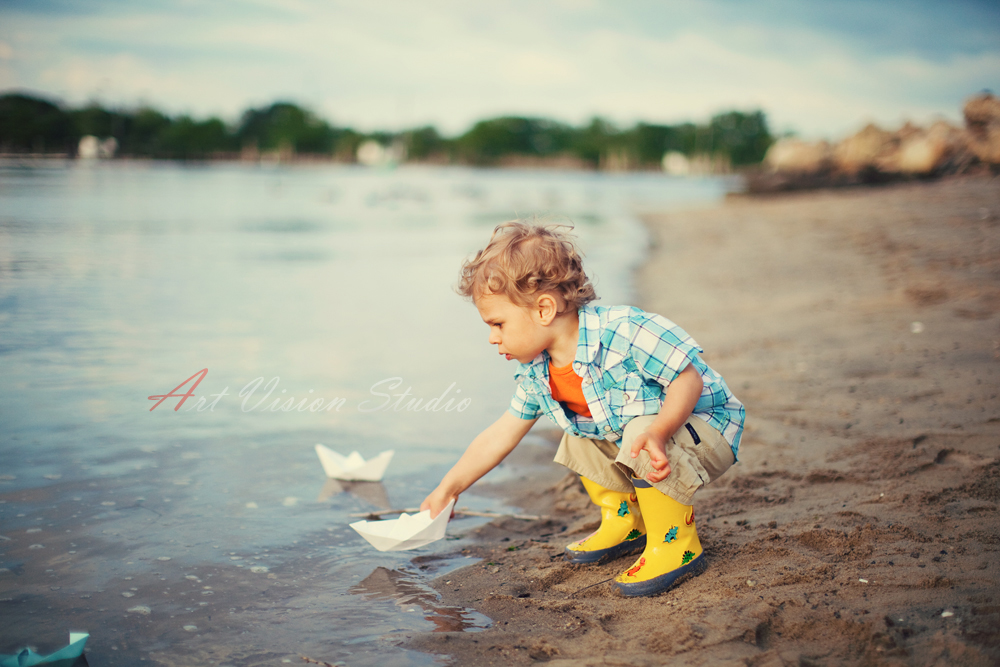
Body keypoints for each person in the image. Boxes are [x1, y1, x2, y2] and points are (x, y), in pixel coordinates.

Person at [420, 221, 745, 597]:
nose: (493, 337)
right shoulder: (537, 372)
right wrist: (449, 488)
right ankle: (628, 522)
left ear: (544, 308)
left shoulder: (625, 332)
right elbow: (502, 432)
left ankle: (675, 544)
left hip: (705, 428)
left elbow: (688, 380)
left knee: (640, 432)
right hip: (648, 438)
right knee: (578, 436)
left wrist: (659, 430)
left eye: (498, 323)